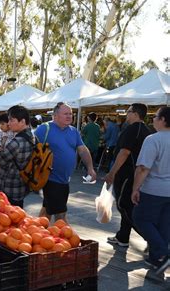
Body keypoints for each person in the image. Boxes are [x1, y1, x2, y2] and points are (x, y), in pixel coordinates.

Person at [36, 102, 96, 222]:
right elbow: (30, 147)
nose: (69, 116)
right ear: (56, 115)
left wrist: (90, 168)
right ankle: (64, 237)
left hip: (64, 180)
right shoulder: (44, 129)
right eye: (65, 114)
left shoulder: (73, 131)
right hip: (51, 178)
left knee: (47, 210)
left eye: (71, 114)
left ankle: (37, 233)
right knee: (60, 214)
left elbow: (82, 150)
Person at [105, 103, 151, 247]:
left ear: (135, 114)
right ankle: (123, 237)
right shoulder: (146, 130)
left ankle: (153, 239)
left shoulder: (133, 129)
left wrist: (112, 173)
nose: (126, 114)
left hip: (127, 173)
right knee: (128, 205)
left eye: (128, 111)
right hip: (137, 174)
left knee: (124, 205)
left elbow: (124, 152)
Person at [131, 106, 170, 274]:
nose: (153, 119)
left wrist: (135, 188)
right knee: (164, 225)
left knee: (140, 219)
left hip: (154, 189)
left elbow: (143, 168)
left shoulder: (154, 139)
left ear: (162, 120)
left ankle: (163, 254)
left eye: (156, 117)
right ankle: (156, 259)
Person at [0, 106, 34, 207]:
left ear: (22, 121)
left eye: (12, 120)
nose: (8, 123)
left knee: (8, 218)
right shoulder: (32, 137)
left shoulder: (16, 142)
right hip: (21, 187)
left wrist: (0, 148)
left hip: (9, 188)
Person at [0, 114, 15, 191]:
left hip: (10, 160)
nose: (0, 126)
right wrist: (2, 144)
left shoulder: (13, 132)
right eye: (0, 124)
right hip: (1, 158)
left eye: (3, 124)